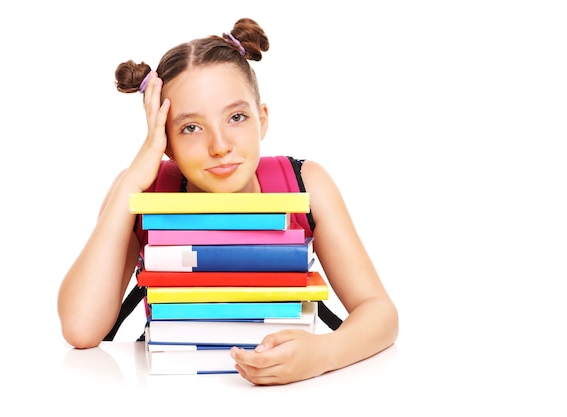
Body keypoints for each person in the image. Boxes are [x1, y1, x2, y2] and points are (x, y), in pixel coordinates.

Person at [58, 17, 398, 385]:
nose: (220, 146)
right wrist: (134, 178)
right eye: (190, 127)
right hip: (169, 390)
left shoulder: (305, 184)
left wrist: (323, 354)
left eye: (236, 117)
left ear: (262, 120)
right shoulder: (142, 191)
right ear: (165, 141)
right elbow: (80, 328)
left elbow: (380, 313)